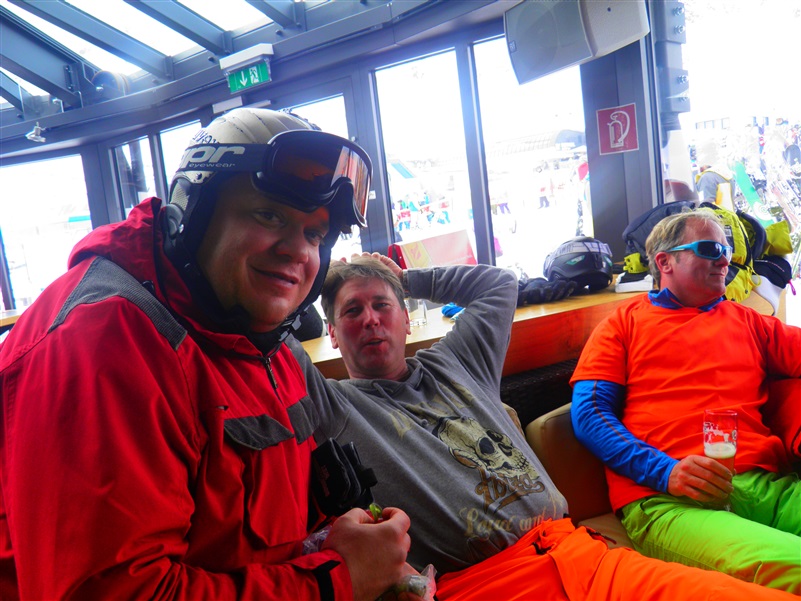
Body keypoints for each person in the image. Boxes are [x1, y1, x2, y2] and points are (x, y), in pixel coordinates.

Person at [0, 108, 415, 601]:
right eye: (270, 215)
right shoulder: (101, 343)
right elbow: (115, 592)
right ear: (191, 215)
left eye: (314, 233)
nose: (298, 251)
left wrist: (353, 551)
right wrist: (337, 581)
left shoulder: (265, 339)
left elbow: (268, 535)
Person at [288, 253, 793, 600]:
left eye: (382, 305)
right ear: (332, 333)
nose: (371, 319)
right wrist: (313, 273)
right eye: (352, 311)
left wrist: (403, 276)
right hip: (489, 584)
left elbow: (497, 284)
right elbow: (264, 332)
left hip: (579, 553)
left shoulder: (458, 363)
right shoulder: (330, 405)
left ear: (405, 317)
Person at [571, 208, 801, 593]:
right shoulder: (622, 324)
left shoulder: (748, 321)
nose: (725, 260)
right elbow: (590, 415)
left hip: (765, 485)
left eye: (727, 251)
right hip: (667, 499)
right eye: (710, 249)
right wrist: (666, 471)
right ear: (665, 262)